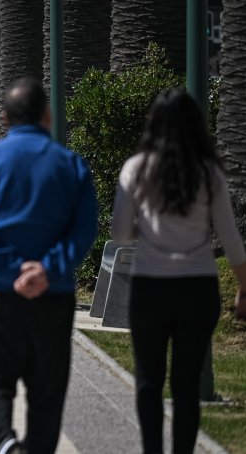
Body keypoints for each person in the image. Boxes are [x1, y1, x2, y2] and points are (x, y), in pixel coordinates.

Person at [0, 77, 98, 454]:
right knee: (48, 390)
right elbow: (83, 230)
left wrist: (11, 269)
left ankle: (4, 443)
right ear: (47, 116)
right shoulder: (71, 165)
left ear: (4, 117)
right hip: (55, 295)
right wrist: (46, 270)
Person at [110, 89, 246, 454]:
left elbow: (120, 231)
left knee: (149, 382)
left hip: (150, 287)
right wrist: (243, 287)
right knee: (186, 386)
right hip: (197, 287)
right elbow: (231, 238)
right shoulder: (209, 172)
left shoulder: (136, 169)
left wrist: (147, 230)